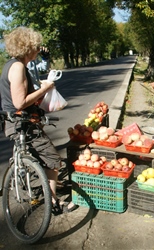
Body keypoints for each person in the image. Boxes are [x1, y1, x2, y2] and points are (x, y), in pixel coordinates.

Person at [0, 26, 77, 214]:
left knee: (40, 158)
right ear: (28, 47)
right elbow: (19, 103)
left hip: (13, 123)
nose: (38, 49)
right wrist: (46, 88)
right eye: (36, 46)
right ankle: (54, 202)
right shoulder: (18, 67)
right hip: (23, 124)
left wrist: (38, 89)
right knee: (53, 160)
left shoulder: (11, 65)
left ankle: (41, 182)